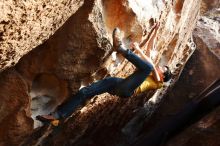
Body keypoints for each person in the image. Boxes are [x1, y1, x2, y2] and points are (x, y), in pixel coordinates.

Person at [37, 27, 172, 126]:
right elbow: (149, 51)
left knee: (147, 66)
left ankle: (120, 48)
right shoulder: (150, 73)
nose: (160, 67)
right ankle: (56, 116)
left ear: (163, 75)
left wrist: (138, 50)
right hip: (118, 84)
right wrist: (154, 30)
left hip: (127, 89)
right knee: (85, 92)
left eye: (163, 69)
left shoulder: (158, 83)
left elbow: (151, 66)